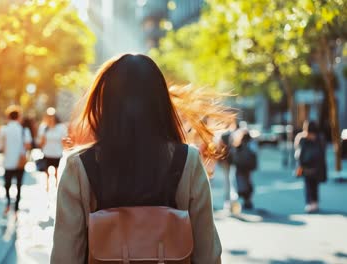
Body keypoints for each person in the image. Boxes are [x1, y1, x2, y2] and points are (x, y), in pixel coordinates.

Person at [51, 54, 222, 263]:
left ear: (106, 102)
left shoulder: (79, 167)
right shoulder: (187, 161)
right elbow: (208, 255)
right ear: (160, 102)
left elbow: (65, 256)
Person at [0, 106, 32, 218]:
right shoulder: (24, 130)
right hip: (20, 162)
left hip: (8, 161)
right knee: (19, 185)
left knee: (7, 184)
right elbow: (29, 145)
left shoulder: (3, 130)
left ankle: (7, 204)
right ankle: (16, 209)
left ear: (8, 117)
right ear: (19, 117)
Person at [294, 121, 327, 213]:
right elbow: (298, 153)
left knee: (314, 185)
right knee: (308, 184)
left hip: (316, 166)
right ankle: (310, 203)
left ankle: (314, 203)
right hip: (306, 166)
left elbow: (322, 153)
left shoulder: (320, 138)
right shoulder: (302, 138)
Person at [36, 108, 67, 191]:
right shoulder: (43, 127)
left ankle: (57, 187)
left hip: (57, 153)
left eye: (51, 116)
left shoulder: (61, 127)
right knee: (47, 172)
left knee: (57, 171)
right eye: (48, 116)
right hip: (47, 153)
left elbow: (64, 140)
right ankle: (48, 187)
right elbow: (40, 142)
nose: (50, 118)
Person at [229, 129, 258, 210]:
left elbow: (233, 154)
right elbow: (255, 154)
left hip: (240, 166)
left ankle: (242, 198)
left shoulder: (238, 144)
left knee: (240, 182)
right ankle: (247, 200)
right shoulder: (251, 144)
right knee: (248, 181)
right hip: (248, 167)